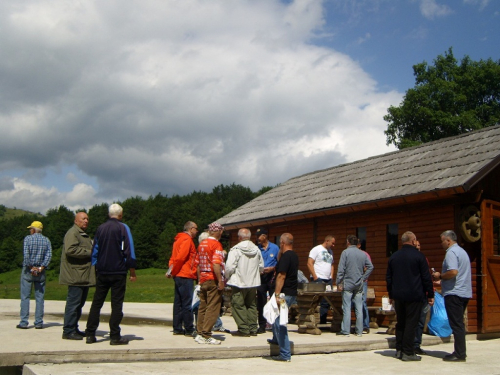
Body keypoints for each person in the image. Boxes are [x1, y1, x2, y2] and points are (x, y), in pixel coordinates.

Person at [85, 204, 137, 345]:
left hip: (102, 270)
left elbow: (95, 249)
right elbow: (129, 250)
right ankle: (114, 336)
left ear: (109, 214)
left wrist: (96, 265)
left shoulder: (100, 228)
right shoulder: (123, 227)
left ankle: (90, 333)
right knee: (116, 304)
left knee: (97, 302)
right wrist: (132, 269)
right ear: (120, 215)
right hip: (118, 271)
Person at [386, 232, 434, 361]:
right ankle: (408, 352)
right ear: (413, 241)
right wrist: (430, 294)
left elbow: (389, 278)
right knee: (411, 323)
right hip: (414, 294)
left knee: (401, 323)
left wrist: (391, 294)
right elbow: (426, 277)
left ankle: (399, 349)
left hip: (398, 295)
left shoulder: (394, 257)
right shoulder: (419, 256)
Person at [432, 230, 472, 362]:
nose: (441, 243)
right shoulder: (462, 252)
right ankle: (459, 351)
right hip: (464, 292)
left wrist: (440, 276)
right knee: (459, 323)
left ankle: (460, 354)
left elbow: (453, 272)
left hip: (454, 293)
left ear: (448, 240)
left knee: (456, 324)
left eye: (442, 241)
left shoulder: (451, 253)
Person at [60, 212, 95, 340]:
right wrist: (89, 252)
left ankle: (74, 328)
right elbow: (70, 250)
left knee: (79, 304)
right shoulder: (73, 233)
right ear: (76, 221)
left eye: (87, 219)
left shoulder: (82, 234)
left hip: (82, 275)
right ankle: (68, 330)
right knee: (73, 304)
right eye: (83, 219)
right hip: (75, 275)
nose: (86, 221)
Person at [226, 228, 264, 337]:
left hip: (239, 282)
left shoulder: (235, 249)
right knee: (251, 305)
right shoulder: (256, 249)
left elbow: (229, 267)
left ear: (239, 237)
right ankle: (253, 328)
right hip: (253, 282)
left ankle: (243, 329)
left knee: (238, 305)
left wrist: (227, 277)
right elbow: (261, 266)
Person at [268, 233, 299, 362]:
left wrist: (276, 294)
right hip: (291, 292)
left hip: (283, 295)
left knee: (280, 322)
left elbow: (281, 276)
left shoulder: (286, 257)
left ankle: (285, 354)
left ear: (282, 243)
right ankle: (276, 340)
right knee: (275, 316)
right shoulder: (294, 256)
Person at [336, 235, 373, 337]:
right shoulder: (363, 254)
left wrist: (339, 282)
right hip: (359, 283)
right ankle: (359, 331)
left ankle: (346, 331)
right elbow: (370, 266)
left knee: (347, 307)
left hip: (348, 283)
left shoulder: (345, 252)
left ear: (348, 242)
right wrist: (363, 277)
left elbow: (341, 269)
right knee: (359, 308)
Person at [17, 221, 52, 329]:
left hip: (28, 270)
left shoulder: (28, 239)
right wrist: (41, 267)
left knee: (25, 296)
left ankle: (24, 322)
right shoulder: (46, 240)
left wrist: (31, 267)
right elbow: (49, 255)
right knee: (39, 297)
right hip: (41, 271)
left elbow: (26, 254)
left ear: (33, 230)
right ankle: (38, 322)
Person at [195, 222, 225, 345]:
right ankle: (206, 334)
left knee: (203, 306)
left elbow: (197, 264)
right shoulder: (217, 245)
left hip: (203, 277)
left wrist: (199, 280)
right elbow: (216, 264)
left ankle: (199, 332)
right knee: (213, 307)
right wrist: (220, 280)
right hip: (212, 278)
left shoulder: (202, 244)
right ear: (219, 232)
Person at [167, 221, 199, 336]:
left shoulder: (178, 240)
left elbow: (173, 258)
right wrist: (174, 271)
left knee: (178, 303)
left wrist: (171, 271)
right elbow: (180, 258)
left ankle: (177, 328)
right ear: (190, 229)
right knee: (187, 303)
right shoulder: (187, 240)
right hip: (185, 275)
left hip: (178, 275)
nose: (197, 231)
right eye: (196, 229)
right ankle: (189, 329)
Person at [256, 227, 280, 333]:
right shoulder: (257, 249)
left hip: (272, 277)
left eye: (259, 236)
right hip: (260, 277)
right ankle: (261, 325)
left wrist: (273, 268)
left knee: (274, 300)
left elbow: (279, 263)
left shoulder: (275, 248)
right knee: (261, 301)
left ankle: (274, 324)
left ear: (264, 236)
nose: (257, 238)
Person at [307, 235, 335, 324]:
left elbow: (332, 264)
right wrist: (315, 277)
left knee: (326, 301)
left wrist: (331, 277)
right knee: (315, 300)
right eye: (332, 243)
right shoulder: (316, 249)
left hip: (328, 279)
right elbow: (309, 263)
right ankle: (308, 319)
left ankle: (323, 321)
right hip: (318, 277)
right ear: (327, 241)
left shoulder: (330, 252)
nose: (333, 245)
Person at [413, 240, 432, 355]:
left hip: (423, 294)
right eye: (416, 245)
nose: (418, 247)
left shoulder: (424, 259)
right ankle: (409, 344)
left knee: (420, 320)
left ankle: (416, 344)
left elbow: (427, 277)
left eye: (419, 245)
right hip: (415, 294)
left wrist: (430, 293)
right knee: (413, 321)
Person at [357, 240, 371, 334]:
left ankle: (366, 325)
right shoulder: (349, 253)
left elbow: (368, 267)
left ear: (359, 245)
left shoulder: (365, 254)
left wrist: (363, 278)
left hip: (362, 282)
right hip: (352, 282)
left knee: (363, 302)